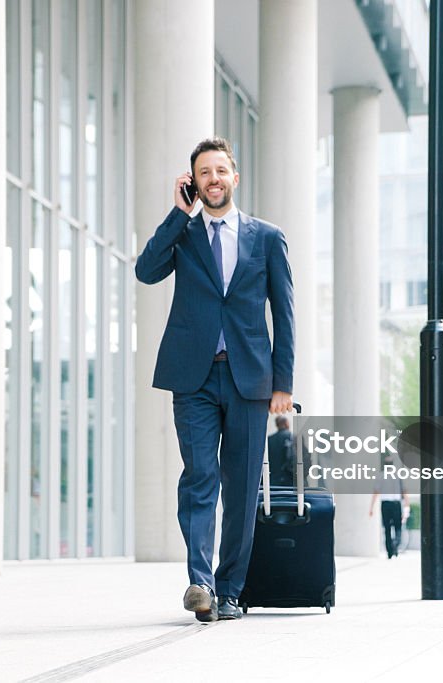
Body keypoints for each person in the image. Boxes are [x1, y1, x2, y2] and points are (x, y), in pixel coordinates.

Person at [135, 137, 295, 623]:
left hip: (250, 379)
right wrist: (176, 215)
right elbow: (145, 271)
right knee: (200, 477)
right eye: (204, 173)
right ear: (193, 182)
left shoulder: (266, 238)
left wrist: (283, 385)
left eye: (220, 171)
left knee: (243, 488)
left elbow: (284, 313)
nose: (213, 180)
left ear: (235, 177)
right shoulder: (183, 234)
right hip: (194, 377)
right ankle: (200, 583)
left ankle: (230, 589)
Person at [369, 455, 408, 559]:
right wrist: (407, 505)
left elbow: (376, 492)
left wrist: (371, 507)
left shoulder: (380, 476)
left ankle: (389, 551)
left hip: (385, 504)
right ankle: (395, 545)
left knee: (387, 528)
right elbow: (404, 491)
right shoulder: (397, 475)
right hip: (396, 504)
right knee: (398, 527)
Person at [267, 415, 295, 487]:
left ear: (277, 425)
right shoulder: (293, 437)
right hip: (289, 479)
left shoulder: (269, 439)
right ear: (287, 424)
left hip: (273, 479)